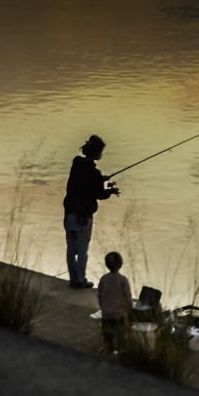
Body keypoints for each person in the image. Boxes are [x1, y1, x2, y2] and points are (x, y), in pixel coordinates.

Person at [63, 135, 120, 289]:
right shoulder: (93, 173)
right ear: (97, 153)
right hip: (83, 216)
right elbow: (99, 195)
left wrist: (99, 179)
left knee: (70, 249)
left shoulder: (76, 165)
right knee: (82, 250)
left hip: (69, 213)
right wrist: (111, 190)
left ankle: (73, 279)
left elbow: (81, 182)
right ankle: (81, 280)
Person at [97, 251, 132, 352]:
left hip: (106, 313)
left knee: (107, 333)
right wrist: (128, 310)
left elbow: (99, 295)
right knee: (121, 333)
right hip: (119, 313)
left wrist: (103, 308)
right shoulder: (123, 280)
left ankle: (110, 348)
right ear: (121, 264)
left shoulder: (103, 279)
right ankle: (121, 350)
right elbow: (128, 297)